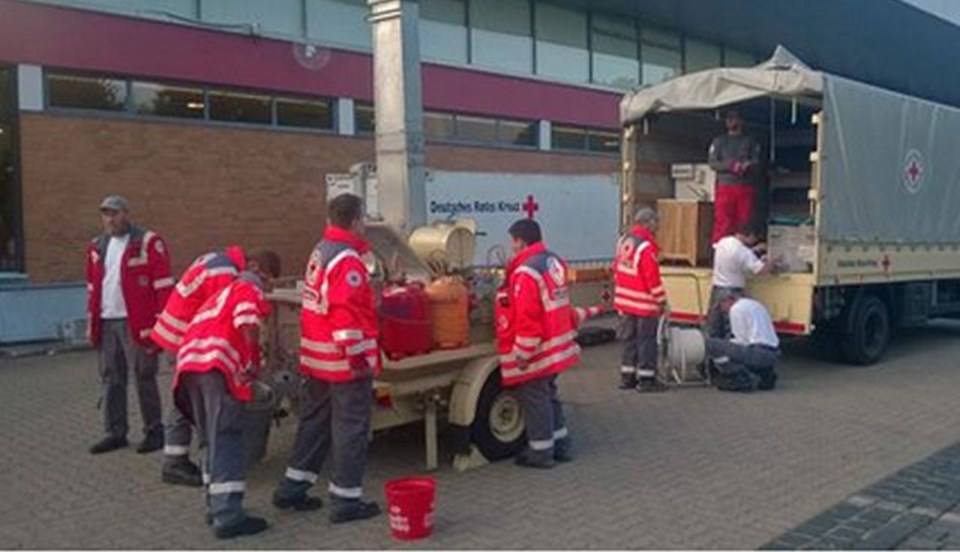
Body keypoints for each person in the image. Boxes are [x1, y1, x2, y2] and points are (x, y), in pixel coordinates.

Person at [272, 193, 381, 523]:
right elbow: (347, 316)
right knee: (351, 428)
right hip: (342, 362)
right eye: (363, 218)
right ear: (356, 220)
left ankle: (292, 487)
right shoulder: (347, 260)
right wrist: (358, 359)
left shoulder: (321, 250)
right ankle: (346, 500)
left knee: (314, 422)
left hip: (317, 357)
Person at [173, 253, 280, 539]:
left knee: (211, 438)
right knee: (228, 438)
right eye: (268, 280)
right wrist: (253, 362)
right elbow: (247, 319)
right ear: (259, 272)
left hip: (191, 366)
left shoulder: (223, 293)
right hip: (214, 367)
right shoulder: (247, 285)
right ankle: (228, 516)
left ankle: (214, 504)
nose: (267, 287)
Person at [150, 246, 249, 487]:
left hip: (176, 330)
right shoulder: (225, 272)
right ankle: (175, 461)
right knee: (184, 399)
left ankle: (176, 457)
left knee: (182, 396)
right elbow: (223, 313)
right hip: (182, 336)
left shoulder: (218, 260)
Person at [86, 195, 173, 455]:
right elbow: (92, 288)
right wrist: (92, 321)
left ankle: (155, 430)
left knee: (143, 376)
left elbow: (163, 286)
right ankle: (115, 432)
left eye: (115, 213)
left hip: (138, 323)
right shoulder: (97, 246)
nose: (110, 219)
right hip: (107, 320)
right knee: (112, 378)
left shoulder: (147, 242)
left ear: (126, 213)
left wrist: (162, 324)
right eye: (106, 214)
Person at [495, 219, 580, 469]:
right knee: (550, 394)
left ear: (521, 241)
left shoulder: (525, 272)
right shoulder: (552, 261)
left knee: (535, 398)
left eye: (513, 242)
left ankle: (541, 453)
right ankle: (562, 445)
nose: (512, 247)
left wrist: (522, 352)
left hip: (540, 350)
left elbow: (527, 317)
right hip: (557, 344)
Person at [613, 207, 669, 392]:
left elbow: (616, 269)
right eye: (656, 223)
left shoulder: (623, 242)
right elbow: (652, 278)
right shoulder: (645, 246)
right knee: (646, 341)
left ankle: (627, 377)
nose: (657, 227)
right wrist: (661, 301)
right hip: (643, 303)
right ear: (648, 223)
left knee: (628, 340)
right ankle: (646, 379)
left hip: (625, 301)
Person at [707, 223, 772, 338]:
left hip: (717, 289)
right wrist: (773, 261)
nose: (754, 241)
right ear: (750, 235)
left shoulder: (723, 242)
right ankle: (729, 352)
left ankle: (712, 350)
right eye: (754, 239)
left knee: (715, 325)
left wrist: (754, 250)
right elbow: (761, 270)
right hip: (732, 292)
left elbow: (736, 255)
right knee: (731, 327)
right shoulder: (743, 252)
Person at [708, 109, 762, 244]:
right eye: (728, 118)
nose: (730, 121)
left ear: (741, 121)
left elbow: (757, 162)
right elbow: (713, 163)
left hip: (744, 187)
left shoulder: (749, 141)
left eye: (734, 118)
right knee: (723, 221)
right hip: (725, 187)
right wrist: (731, 166)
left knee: (744, 221)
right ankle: (720, 253)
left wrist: (746, 165)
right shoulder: (719, 141)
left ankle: (742, 255)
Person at [705, 296, 779, 392]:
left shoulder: (736, 310)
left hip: (758, 352)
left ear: (727, 301)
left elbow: (742, 340)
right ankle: (764, 373)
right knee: (733, 350)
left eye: (721, 308)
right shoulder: (755, 304)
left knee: (713, 344)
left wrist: (726, 343)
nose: (724, 313)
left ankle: (739, 379)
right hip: (773, 352)